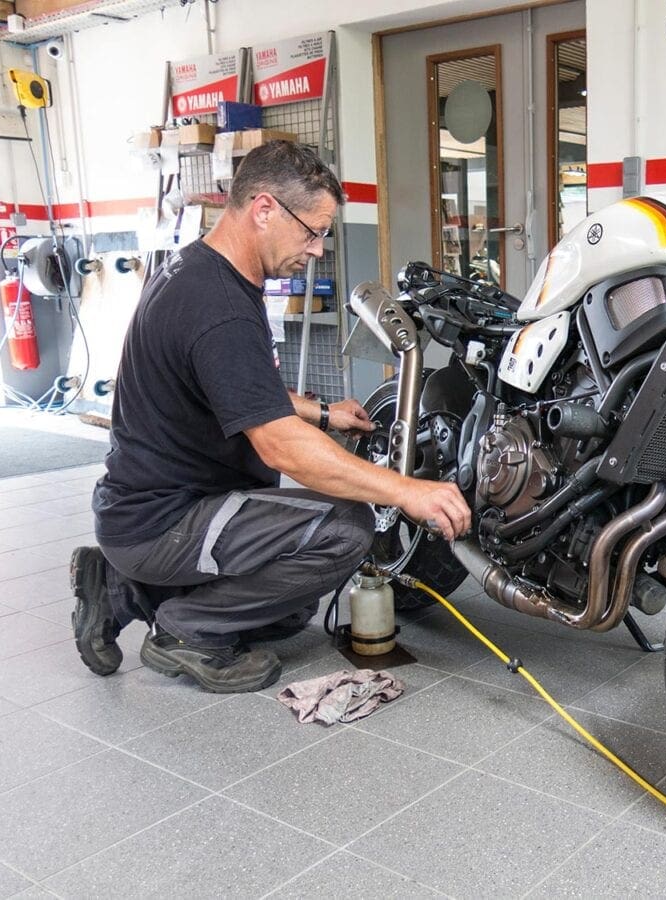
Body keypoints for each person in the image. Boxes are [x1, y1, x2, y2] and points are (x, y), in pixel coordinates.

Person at [70, 140, 471, 694]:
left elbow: (235, 385)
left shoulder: (196, 268)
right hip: (164, 518)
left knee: (287, 616)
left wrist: (324, 412)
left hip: (144, 507)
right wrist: (404, 489)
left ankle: (121, 590)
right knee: (344, 530)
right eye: (312, 231)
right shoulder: (220, 306)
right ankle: (187, 632)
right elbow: (281, 446)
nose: (317, 249)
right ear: (264, 209)